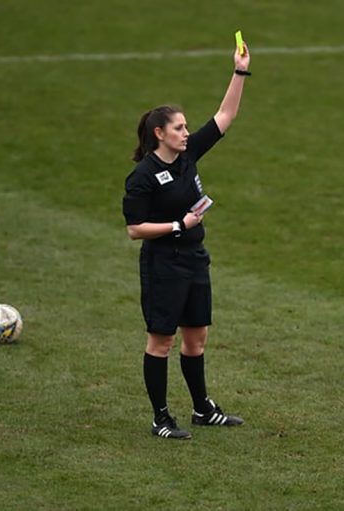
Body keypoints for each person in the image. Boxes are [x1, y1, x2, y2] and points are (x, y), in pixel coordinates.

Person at [122, 41, 251, 439]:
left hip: (195, 259)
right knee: (161, 341)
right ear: (159, 134)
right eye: (179, 127)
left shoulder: (188, 154)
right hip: (164, 264)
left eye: (185, 126)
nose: (186, 132)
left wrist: (240, 71)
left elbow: (225, 116)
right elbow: (134, 229)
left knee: (196, 338)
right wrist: (179, 225)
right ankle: (161, 417)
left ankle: (201, 409)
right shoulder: (142, 176)